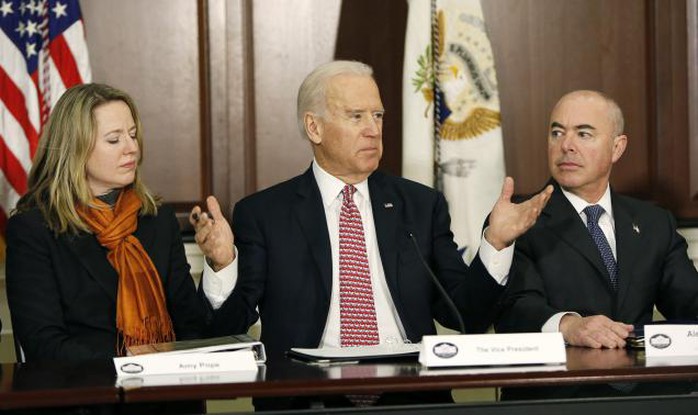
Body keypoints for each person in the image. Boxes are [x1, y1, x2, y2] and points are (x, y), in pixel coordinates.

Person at [195, 60, 552, 408]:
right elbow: (230, 325)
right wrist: (222, 263)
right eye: (356, 116)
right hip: (309, 397)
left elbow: (465, 313)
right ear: (314, 127)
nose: (373, 129)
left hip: (410, 396)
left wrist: (495, 244)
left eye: (378, 116)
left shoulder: (420, 205)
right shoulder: (265, 214)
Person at [5, 83, 234, 362]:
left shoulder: (158, 219)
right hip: (88, 398)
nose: (131, 148)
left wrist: (220, 264)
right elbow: (43, 344)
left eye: (133, 135)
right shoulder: (33, 230)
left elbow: (195, 329)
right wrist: (133, 370)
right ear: (75, 148)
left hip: (169, 396)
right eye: (114, 140)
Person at [495, 90, 698, 399]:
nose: (566, 145)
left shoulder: (655, 222)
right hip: (558, 396)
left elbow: (690, 301)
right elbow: (515, 308)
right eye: (557, 132)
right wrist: (569, 326)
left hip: (647, 395)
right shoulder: (520, 217)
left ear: (617, 147)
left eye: (584, 133)